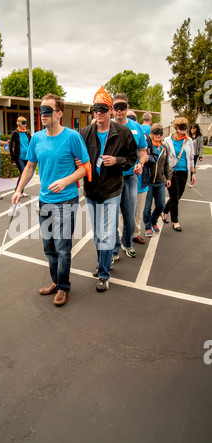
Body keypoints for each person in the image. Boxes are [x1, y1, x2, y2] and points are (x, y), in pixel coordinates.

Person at [11, 94, 91, 306]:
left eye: (48, 110)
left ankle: (64, 288)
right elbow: (29, 167)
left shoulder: (73, 136)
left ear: (59, 113)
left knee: (63, 247)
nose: (43, 114)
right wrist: (19, 189)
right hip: (44, 201)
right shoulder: (36, 138)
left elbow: (85, 167)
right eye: (41, 110)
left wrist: (66, 181)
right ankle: (56, 282)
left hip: (66, 201)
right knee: (49, 247)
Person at [79, 86, 138, 292]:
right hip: (92, 191)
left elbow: (132, 158)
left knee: (105, 235)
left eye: (103, 108)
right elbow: (78, 158)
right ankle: (103, 262)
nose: (99, 112)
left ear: (111, 110)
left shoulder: (123, 132)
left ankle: (104, 273)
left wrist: (117, 160)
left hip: (112, 191)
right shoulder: (85, 132)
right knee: (97, 235)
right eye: (96, 109)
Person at [111, 94, 147, 258]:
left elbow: (143, 152)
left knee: (130, 216)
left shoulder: (136, 127)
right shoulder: (106, 126)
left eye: (122, 107)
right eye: (116, 107)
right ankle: (114, 249)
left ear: (127, 107)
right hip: (111, 178)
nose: (119, 110)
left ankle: (127, 243)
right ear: (112, 109)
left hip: (131, 178)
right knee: (111, 217)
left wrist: (141, 163)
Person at [161, 117, 195, 232]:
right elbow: (164, 157)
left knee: (178, 196)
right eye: (181, 127)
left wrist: (193, 173)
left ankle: (164, 211)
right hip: (172, 172)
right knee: (175, 198)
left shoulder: (189, 141)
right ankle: (175, 221)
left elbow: (191, 158)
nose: (184, 129)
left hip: (184, 172)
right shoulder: (167, 140)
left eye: (185, 127)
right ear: (176, 128)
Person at [143, 123, 171, 237]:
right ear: (151, 134)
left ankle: (154, 221)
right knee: (147, 207)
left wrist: (168, 177)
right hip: (148, 181)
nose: (158, 135)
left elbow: (166, 164)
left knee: (161, 205)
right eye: (156, 133)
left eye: (160, 133)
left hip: (160, 181)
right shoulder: (147, 147)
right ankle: (147, 226)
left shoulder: (164, 148)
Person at [127, 110, 148, 245]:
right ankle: (123, 237)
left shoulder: (141, 132)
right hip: (123, 178)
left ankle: (136, 233)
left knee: (139, 209)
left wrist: (141, 163)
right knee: (124, 212)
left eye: (133, 118)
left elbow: (148, 154)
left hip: (140, 180)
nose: (131, 121)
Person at [9, 116, 31, 198]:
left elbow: (31, 143)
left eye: (25, 123)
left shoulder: (27, 133)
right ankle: (18, 190)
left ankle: (21, 190)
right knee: (23, 173)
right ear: (19, 123)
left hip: (27, 157)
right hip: (19, 157)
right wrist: (12, 159)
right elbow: (11, 146)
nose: (25, 125)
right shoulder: (15, 133)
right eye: (23, 123)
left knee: (25, 174)